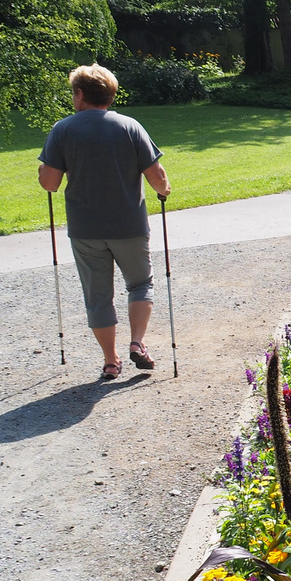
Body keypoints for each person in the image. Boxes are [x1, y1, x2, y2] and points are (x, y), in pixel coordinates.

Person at [38, 64, 170, 379]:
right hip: (129, 225)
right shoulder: (130, 127)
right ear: (109, 95)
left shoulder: (63, 130)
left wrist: (45, 173)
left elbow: (50, 183)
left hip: (86, 229)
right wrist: (164, 191)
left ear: (81, 94)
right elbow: (157, 177)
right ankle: (137, 343)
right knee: (140, 284)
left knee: (98, 295)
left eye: (73, 92)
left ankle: (111, 361)